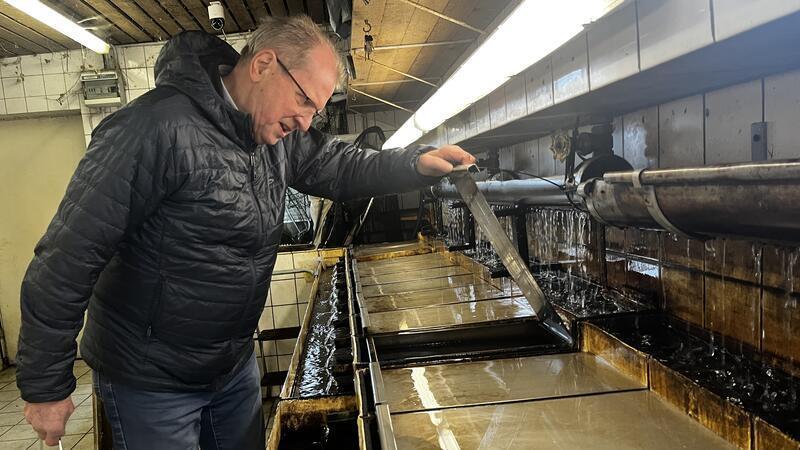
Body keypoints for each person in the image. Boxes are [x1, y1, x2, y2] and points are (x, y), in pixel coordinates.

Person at [17, 14, 474, 449]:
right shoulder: (151, 129)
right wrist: (45, 385)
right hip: (151, 378)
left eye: (316, 110)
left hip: (230, 365)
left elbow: (338, 166)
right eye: (303, 101)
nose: (306, 121)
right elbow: (68, 257)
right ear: (262, 65)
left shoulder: (276, 136)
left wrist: (413, 164)